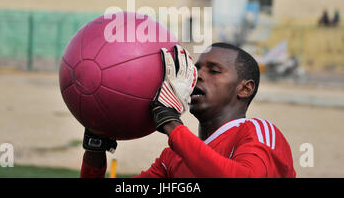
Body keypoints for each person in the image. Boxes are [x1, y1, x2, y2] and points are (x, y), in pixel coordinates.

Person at [80, 43, 296, 178]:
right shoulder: (173, 157)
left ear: (245, 88)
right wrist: (96, 145)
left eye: (213, 71)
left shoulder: (259, 133)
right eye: (197, 68)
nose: (198, 76)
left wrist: (171, 123)